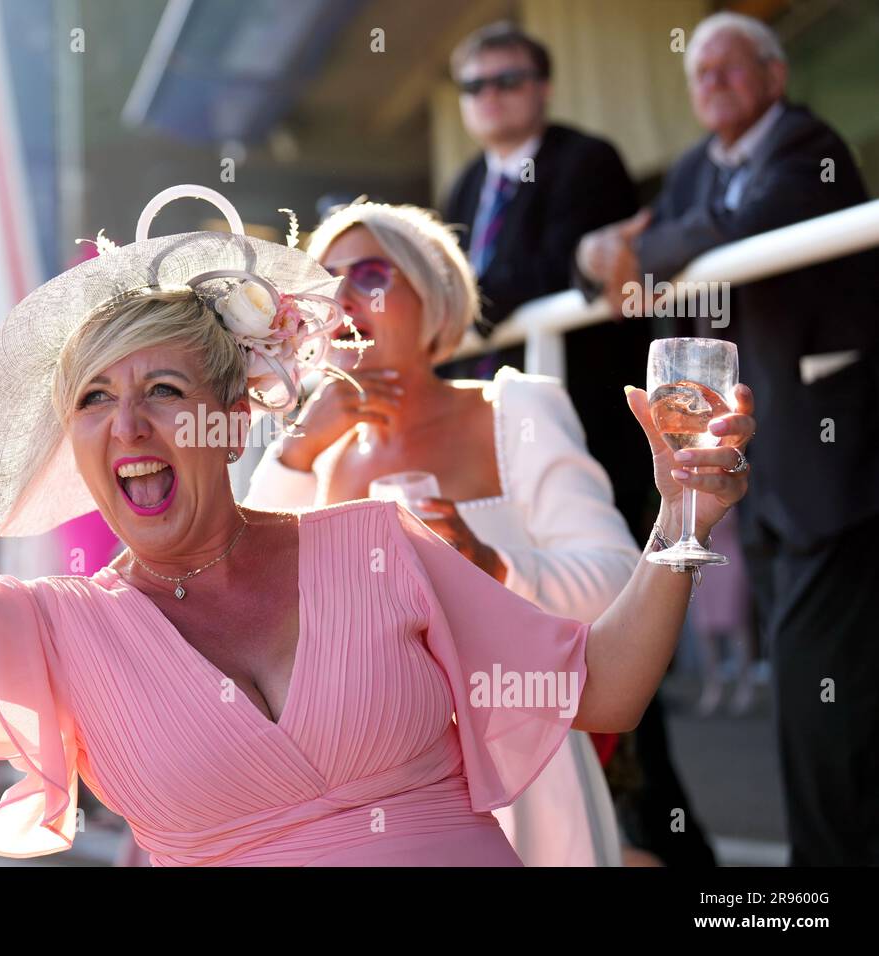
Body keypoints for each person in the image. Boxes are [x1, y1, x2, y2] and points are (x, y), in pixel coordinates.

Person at [0, 196, 754, 866]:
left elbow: (606, 686)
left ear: (229, 419)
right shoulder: (54, 627)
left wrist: (682, 512)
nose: (129, 423)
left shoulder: (379, 544)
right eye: (94, 398)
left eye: (164, 389)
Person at [243, 200, 634, 866]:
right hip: (364, 800)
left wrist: (493, 565)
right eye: (323, 283)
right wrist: (296, 452)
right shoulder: (316, 457)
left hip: (522, 782)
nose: (342, 298)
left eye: (369, 275)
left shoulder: (512, 410)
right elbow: (248, 599)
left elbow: (621, 585)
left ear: (432, 297)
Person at [575, 11, 879, 865]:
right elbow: (620, 252)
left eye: (729, 67)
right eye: (698, 72)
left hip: (838, 468)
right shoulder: (699, 169)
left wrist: (637, 248)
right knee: (814, 687)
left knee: (825, 695)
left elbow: (729, 234)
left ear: (775, 78)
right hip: (771, 466)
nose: (709, 82)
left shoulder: (807, 148)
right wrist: (607, 249)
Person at [438, 21, 654, 538]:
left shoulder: (587, 160)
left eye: (507, 80)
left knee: (594, 583)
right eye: (474, 86)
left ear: (544, 88)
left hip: (581, 416)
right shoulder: (465, 185)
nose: (489, 94)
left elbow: (562, 265)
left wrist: (460, 308)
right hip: (482, 430)